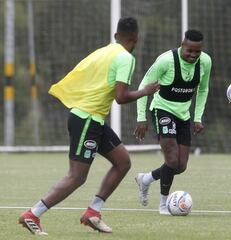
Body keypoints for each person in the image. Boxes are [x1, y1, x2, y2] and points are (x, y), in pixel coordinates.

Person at [18, 17, 160, 235]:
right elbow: (121, 97)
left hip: (93, 119)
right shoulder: (125, 58)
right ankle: (33, 214)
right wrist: (146, 91)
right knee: (76, 177)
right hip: (87, 120)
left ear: (115, 36)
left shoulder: (104, 51)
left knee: (122, 162)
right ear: (136, 38)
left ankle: (93, 212)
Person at [134, 29, 212, 215]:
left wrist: (198, 117)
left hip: (183, 115)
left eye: (197, 51)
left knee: (180, 166)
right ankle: (163, 205)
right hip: (162, 110)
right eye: (189, 51)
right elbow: (144, 85)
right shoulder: (166, 60)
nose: (193, 55)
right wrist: (141, 118)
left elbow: (203, 90)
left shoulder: (206, 62)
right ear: (182, 45)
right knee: (171, 158)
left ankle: (146, 179)